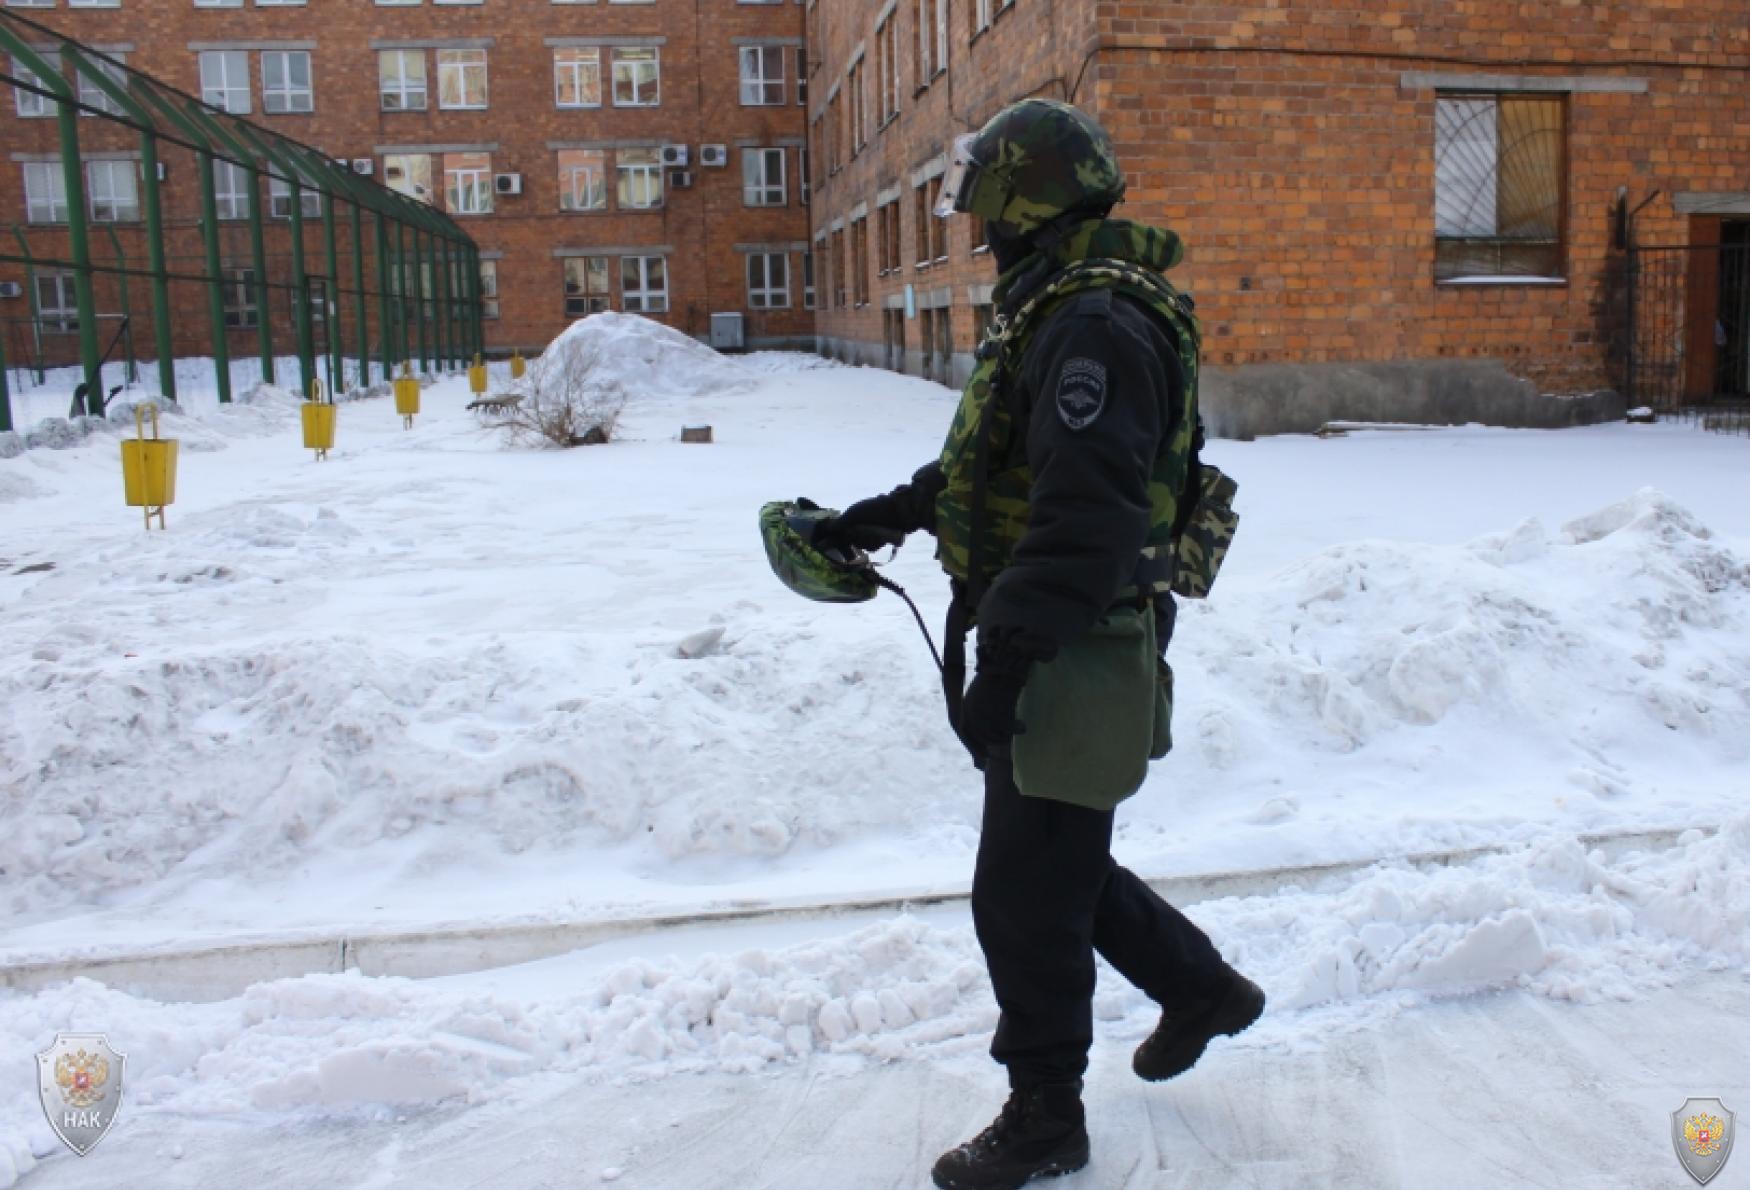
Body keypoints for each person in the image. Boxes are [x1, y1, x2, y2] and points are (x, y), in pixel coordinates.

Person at [814, 99, 1265, 1190]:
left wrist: (1007, 660)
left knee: (1021, 889)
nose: (978, 224)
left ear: (1029, 200)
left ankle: (1045, 1115)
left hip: (1073, 638)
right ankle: (1200, 986)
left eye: (987, 202)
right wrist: (885, 512)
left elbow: (1088, 513)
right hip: (1054, 624)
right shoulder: (1060, 307)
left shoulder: (1094, 324)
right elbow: (1005, 465)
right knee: (1050, 864)